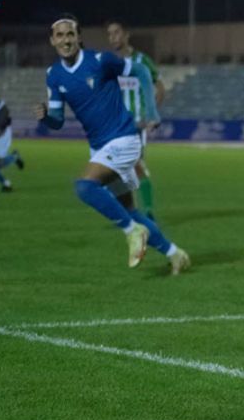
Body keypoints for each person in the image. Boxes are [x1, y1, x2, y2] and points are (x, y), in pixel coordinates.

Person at [34, 15, 190, 275]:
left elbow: (140, 71)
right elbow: (58, 121)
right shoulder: (53, 75)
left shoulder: (99, 60)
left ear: (79, 38)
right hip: (100, 147)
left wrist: (152, 112)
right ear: (52, 41)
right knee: (129, 210)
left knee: (84, 187)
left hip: (124, 139)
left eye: (70, 34)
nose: (66, 40)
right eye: (59, 35)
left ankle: (131, 232)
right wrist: (46, 116)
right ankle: (175, 254)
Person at [106, 19, 165, 220]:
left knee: (136, 166)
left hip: (136, 125)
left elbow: (160, 88)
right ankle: (130, 211)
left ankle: (148, 212)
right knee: (116, 171)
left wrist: (151, 117)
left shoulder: (142, 61)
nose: (113, 37)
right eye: (110, 34)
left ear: (126, 35)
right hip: (115, 127)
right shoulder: (109, 63)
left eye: (116, 32)